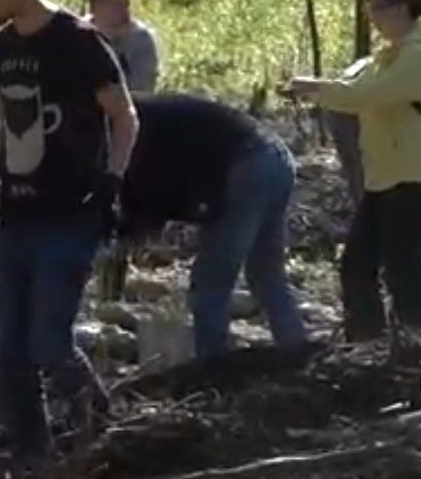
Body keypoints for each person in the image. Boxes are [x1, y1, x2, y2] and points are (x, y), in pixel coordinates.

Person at [0, 0, 139, 462]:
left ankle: (103, 433)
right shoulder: (3, 48)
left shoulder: (78, 41)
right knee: (10, 351)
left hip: (71, 213)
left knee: (50, 344)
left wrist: (112, 180)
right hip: (15, 215)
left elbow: (124, 116)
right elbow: (9, 127)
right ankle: (32, 458)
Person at [286, 0, 421, 342]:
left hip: (415, 172)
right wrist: (322, 88)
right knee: (357, 264)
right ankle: (367, 343)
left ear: (401, 9)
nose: (373, 19)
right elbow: (358, 88)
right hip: (386, 175)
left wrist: (317, 89)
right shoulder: (386, 55)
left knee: (402, 264)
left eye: (378, 9)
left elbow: (371, 94)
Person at [118, 95, 308, 360]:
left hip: (246, 167)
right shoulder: (149, 116)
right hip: (275, 157)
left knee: (211, 282)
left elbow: (157, 192)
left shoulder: (136, 131)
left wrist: (133, 229)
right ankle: (296, 352)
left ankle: (212, 367)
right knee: (266, 274)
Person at [86, 0, 161, 95]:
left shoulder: (140, 39)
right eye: (116, 6)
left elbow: (143, 88)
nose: (125, 12)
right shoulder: (78, 34)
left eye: (126, 5)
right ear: (95, 7)